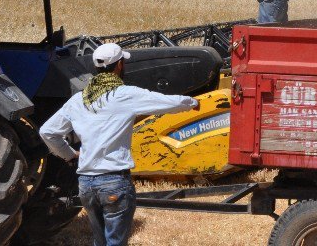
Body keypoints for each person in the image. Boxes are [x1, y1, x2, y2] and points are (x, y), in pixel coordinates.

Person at [39, 43, 201, 246]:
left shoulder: (79, 100)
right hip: (114, 182)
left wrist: (69, 154)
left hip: (86, 184)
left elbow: (47, 131)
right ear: (119, 66)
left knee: (100, 241)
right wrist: (192, 103)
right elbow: (166, 102)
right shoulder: (125, 94)